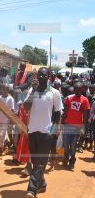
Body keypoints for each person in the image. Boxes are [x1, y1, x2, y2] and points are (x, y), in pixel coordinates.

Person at [24, 67, 63, 198]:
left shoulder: (54, 93)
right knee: (36, 162)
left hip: (46, 132)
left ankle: (31, 189)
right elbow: (26, 108)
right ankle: (42, 184)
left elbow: (58, 113)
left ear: (49, 77)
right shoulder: (31, 90)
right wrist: (33, 90)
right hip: (32, 131)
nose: (41, 77)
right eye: (39, 75)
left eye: (44, 75)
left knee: (40, 162)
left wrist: (55, 130)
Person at [62, 82, 90, 169]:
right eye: (76, 90)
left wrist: (83, 128)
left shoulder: (85, 100)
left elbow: (85, 115)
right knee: (66, 144)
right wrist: (61, 123)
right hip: (67, 125)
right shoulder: (68, 98)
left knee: (73, 146)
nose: (77, 91)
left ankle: (72, 160)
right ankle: (66, 156)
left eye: (79, 90)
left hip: (77, 127)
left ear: (82, 90)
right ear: (74, 90)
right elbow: (65, 112)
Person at [0, 84, 14, 162]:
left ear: (8, 90)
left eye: (6, 89)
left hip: (6, 120)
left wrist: (11, 120)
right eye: (3, 89)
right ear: (1, 89)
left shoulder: (10, 99)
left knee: (1, 134)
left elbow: (12, 110)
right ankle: (4, 146)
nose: (5, 91)